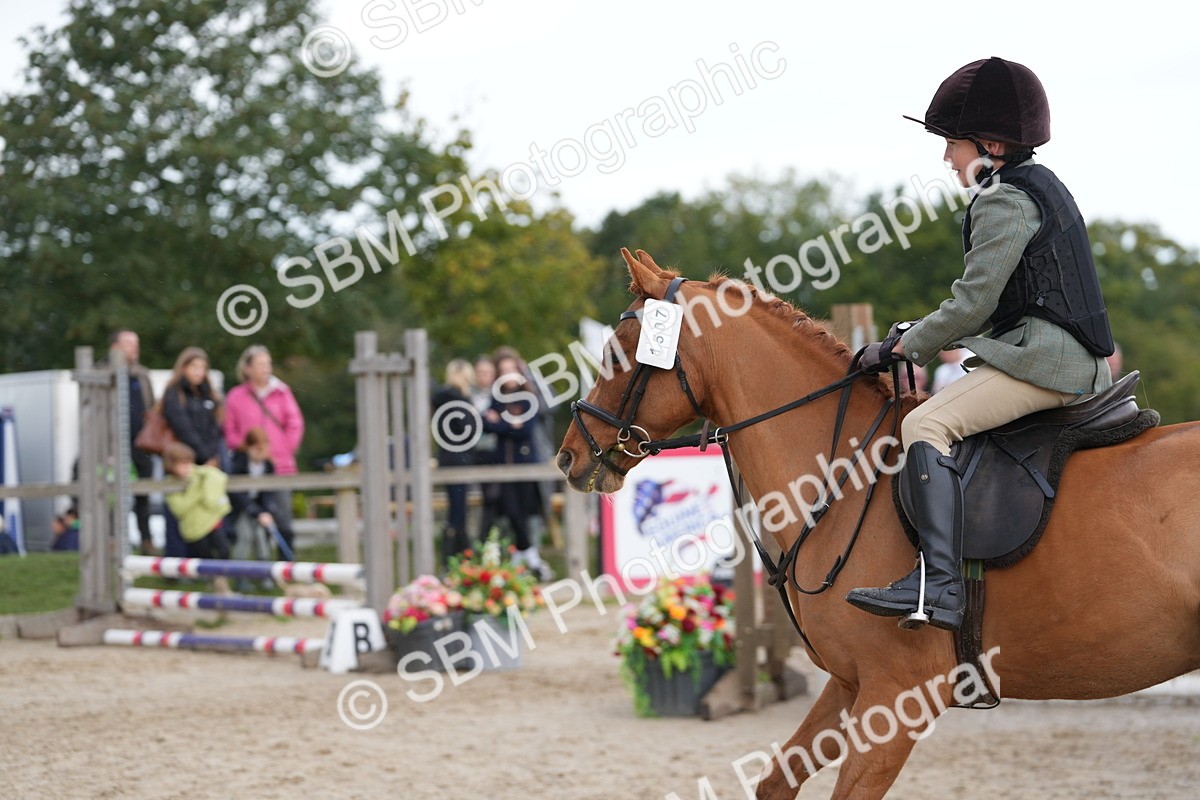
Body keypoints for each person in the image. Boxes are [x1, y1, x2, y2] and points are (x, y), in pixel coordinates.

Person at [846, 57, 1115, 632]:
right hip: (1056, 350)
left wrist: (901, 350)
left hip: (1047, 359)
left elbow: (972, 305)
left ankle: (941, 587)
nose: (946, 157)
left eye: (953, 145)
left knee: (924, 426)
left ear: (990, 144)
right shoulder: (1034, 187)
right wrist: (912, 334)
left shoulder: (1002, 200)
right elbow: (981, 305)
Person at [223, 345, 304, 556]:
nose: (266, 368)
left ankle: (287, 563)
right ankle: (257, 566)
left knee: (282, 515)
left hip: (279, 465)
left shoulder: (281, 392)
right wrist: (244, 447)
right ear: (247, 368)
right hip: (249, 465)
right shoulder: (236, 396)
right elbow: (229, 430)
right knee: (250, 515)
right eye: (260, 364)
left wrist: (284, 450)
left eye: (268, 364)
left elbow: (295, 423)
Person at [481, 369, 551, 580]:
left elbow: (524, 430)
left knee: (527, 512)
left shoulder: (528, 399)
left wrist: (500, 423)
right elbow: (485, 425)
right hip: (502, 466)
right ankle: (528, 555)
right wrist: (509, 424)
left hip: (525, 465)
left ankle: (524, 555)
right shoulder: (496, 398)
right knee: (510, 511)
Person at [161, 347, 225, 557]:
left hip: (206, 464)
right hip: (181, 462)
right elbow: (184, 428)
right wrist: (204, 456)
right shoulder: (174, 394)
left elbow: (214, 428)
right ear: (184, 367)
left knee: (206, 510)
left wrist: (213, 456)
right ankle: (175, 565)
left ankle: (204, 563)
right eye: (194, 366)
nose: (199, 371)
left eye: (203, 367)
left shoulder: (209, 394)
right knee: (179, 514)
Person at [108, 329, 157, 555]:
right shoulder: (102, 374)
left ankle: (146, 540)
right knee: (113, 495)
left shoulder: (142, 375)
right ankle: (113, 540)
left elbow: (151, 408)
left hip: (141, 445)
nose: (134, 348)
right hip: (112, 446)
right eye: (128, 344)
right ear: (115, 347)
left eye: (136, 344)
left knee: (143, 495)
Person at [433, 359, 476, 565]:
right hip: (457, 458)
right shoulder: (456, 399)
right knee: (458, 512)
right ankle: (456, 557)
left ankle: (458, 556)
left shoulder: (444, 398)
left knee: (457, 510)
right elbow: (464, 428)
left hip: (450, 456)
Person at [162, 441, 232, 561]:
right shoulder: (170, 484)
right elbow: (179, 509)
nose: (187, 468)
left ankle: (221, 577)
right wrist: (196, 491)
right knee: (205, 556)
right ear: (172, 465)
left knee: (224, 550)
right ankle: (214, 578)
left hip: (211, 520)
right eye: (182, 464)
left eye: (188, 463)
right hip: (194, 527)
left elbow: (218, 479)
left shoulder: (202, 474)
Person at [226, 426, 287, 562]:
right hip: (241, 508)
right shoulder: (237, 463)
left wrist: (267, 511)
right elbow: (238, 494)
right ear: (248, 447)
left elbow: (268, 493)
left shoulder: (268, 466)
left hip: (260, 508)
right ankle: (240, 574)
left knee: (261, 535)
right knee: (245, 535)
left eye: (265, 449)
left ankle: (264, 572)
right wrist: (255, 512)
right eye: (258, 450)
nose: (262, 453)